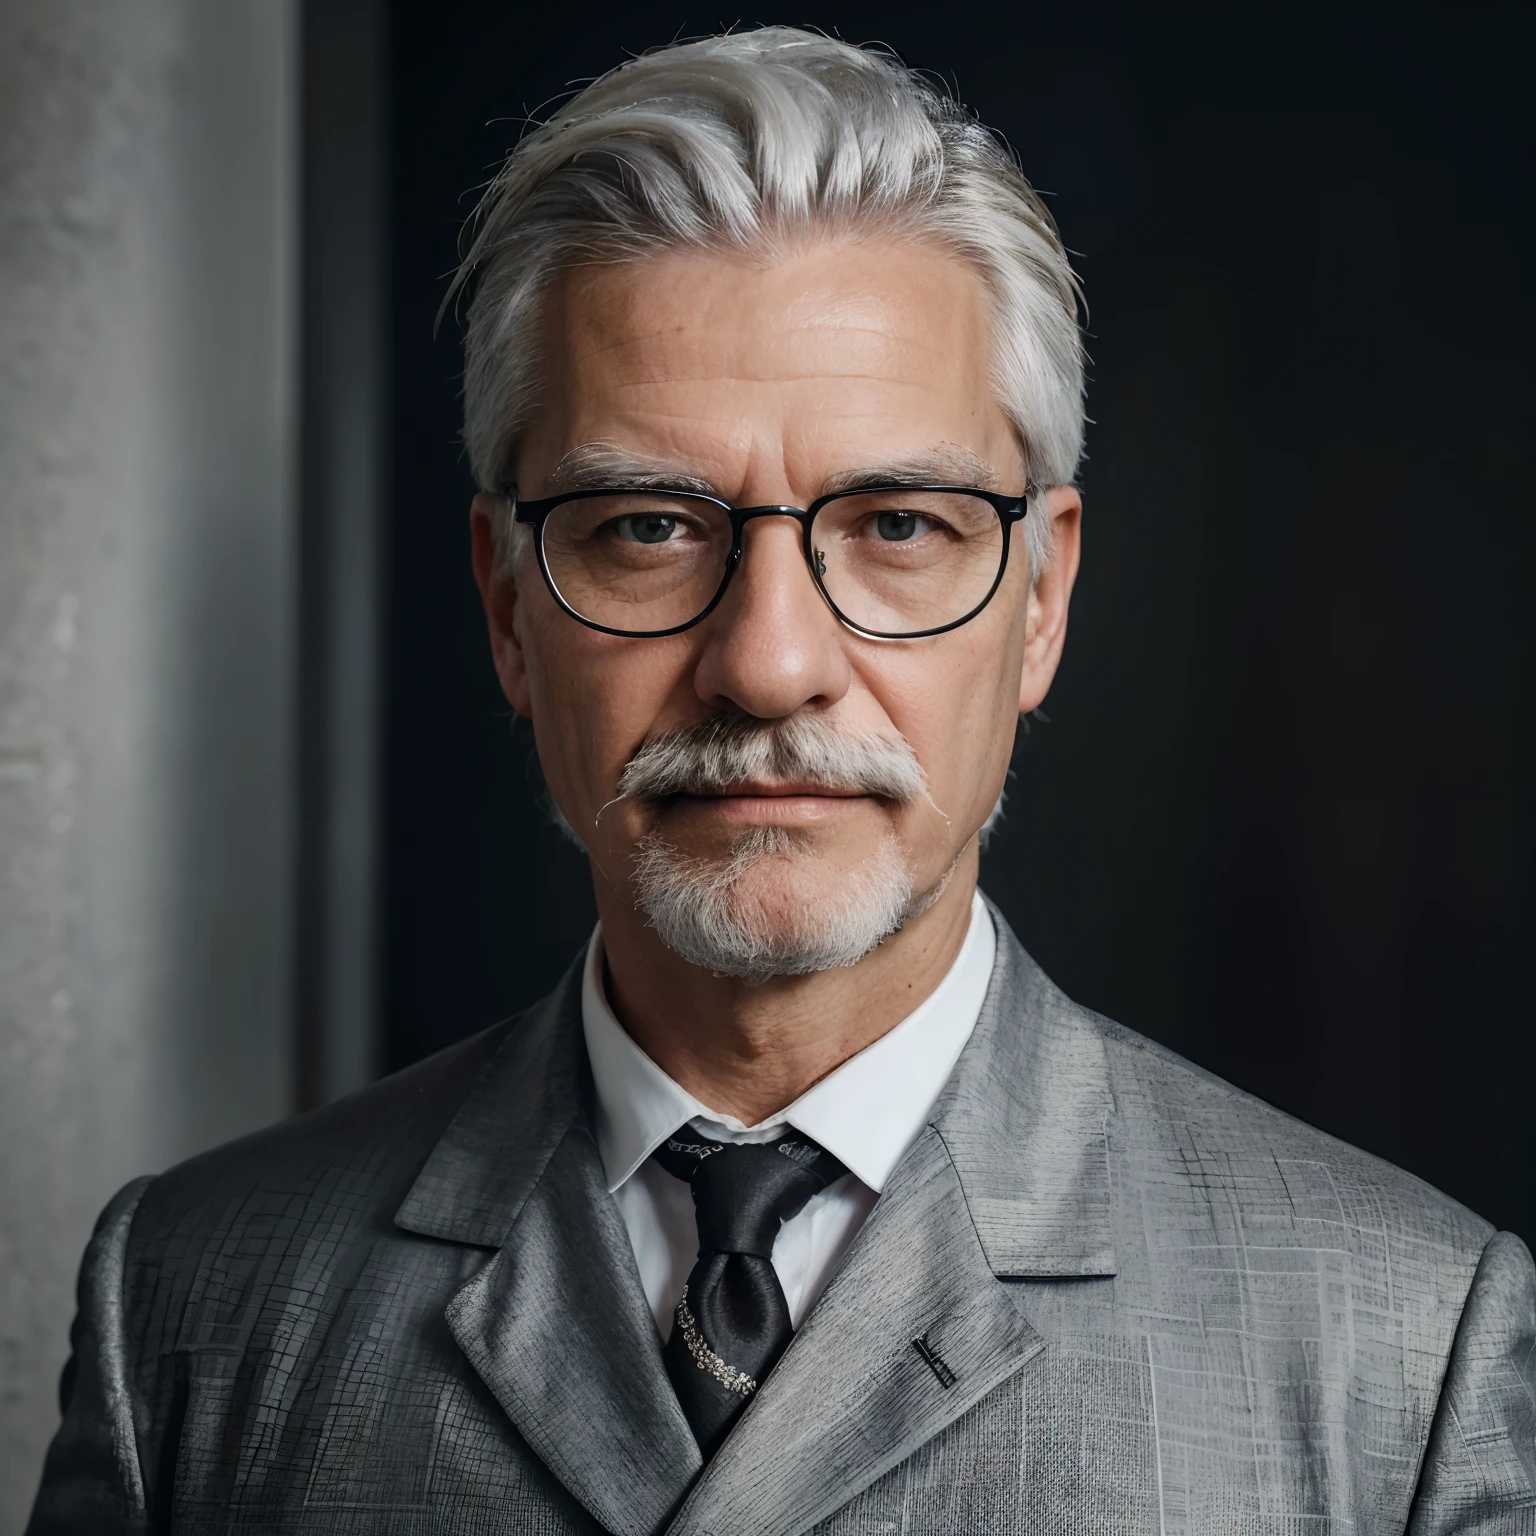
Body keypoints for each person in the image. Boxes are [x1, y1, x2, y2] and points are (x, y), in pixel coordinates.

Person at [28, 27, 1535, 1534]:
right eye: (646, 527)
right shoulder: (192, 1305)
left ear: (1041, 600)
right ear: (505, 606)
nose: (767, 663)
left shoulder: (1399, 1355)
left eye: (896, 526)